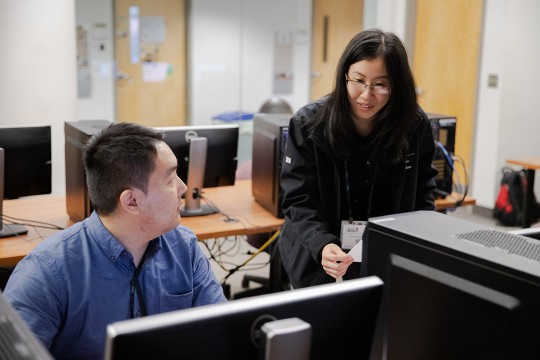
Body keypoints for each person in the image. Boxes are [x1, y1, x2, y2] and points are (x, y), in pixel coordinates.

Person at [3, 122, 227, 359]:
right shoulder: (46, 273)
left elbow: (222, 333)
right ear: (131, 201)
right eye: (170, 180)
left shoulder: (184, 247)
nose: (184, 187)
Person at [278, 29, 438, 289]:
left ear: (397, 86)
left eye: (381, 85)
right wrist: (322, 243)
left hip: (387, 253)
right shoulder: (309, 124)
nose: (366, 95)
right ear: (344, 76)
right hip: (319, 253)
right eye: (359, 80)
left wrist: (418, 245)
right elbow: (298, 199)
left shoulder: (413, 125)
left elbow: (423, 192)